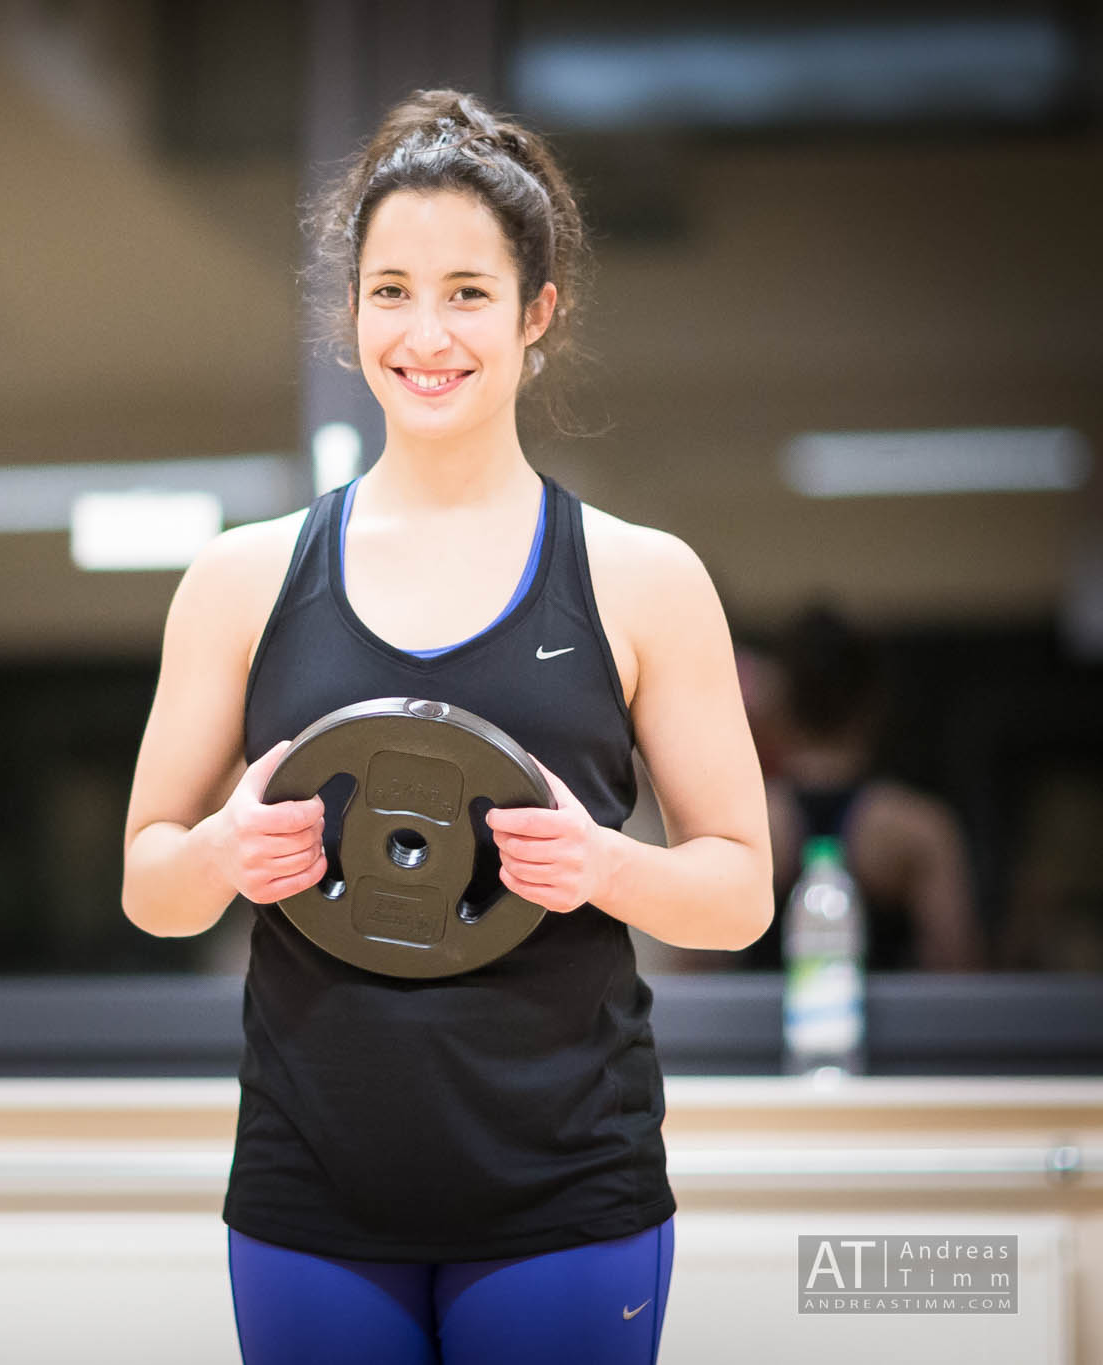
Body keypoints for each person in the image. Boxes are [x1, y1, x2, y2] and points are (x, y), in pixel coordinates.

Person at [120, 90, 773, 1364]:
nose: (425, 334)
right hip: (311, 1199)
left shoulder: (641, 579)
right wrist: (217, 857)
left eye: (468, 293)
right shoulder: (240, 579)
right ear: (350, 309)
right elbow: (151, 884)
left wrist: (601, 865)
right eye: (391, 290)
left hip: (564, 1195)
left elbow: (739, 891)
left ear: (538, 313)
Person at [732, 605, 985, 972]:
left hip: (757, 1030)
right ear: (873, 704)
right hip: (896, 1030)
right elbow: (960, 976)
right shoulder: (917, 832)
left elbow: (694, 973)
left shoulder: (747, 829)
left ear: (783, 705)